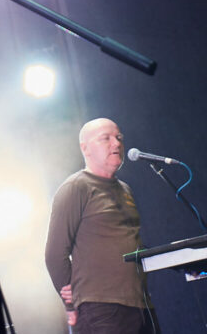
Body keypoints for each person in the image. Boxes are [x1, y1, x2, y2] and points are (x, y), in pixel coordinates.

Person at [45, 118, 154, 333]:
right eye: (106, 138)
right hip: (100, 310)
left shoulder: (125, 189)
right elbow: (55, 255)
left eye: (119, 138)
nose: (116, 144)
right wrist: (72, 303)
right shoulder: (76, 187)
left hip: (140, 305)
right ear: (84, 148)